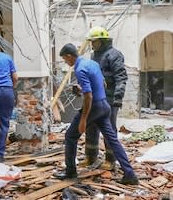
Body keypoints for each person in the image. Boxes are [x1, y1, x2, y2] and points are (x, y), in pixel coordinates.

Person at [54, 43, 138, 185]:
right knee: (113, 140)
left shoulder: (80, 69)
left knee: (70, 136)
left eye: (64, 59)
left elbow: (89, 97)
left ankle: (70, 172)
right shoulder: (91, 63)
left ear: (69, 56)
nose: (65, 62)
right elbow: (103, 84)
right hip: (104, 105)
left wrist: (83, 119)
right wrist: (84, 90)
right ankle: (130, 174)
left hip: (94, 106)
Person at [80, 26, 128, 171]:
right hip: (96, 98)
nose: (92, 45)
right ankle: (91, 156)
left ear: (102, 41)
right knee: (91, 127)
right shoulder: (95, 56)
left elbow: (121, 78)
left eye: (94, 42)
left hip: (110, 98)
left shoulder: (114, 55)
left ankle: (110, 160)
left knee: (109, 130)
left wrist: (118, 99)